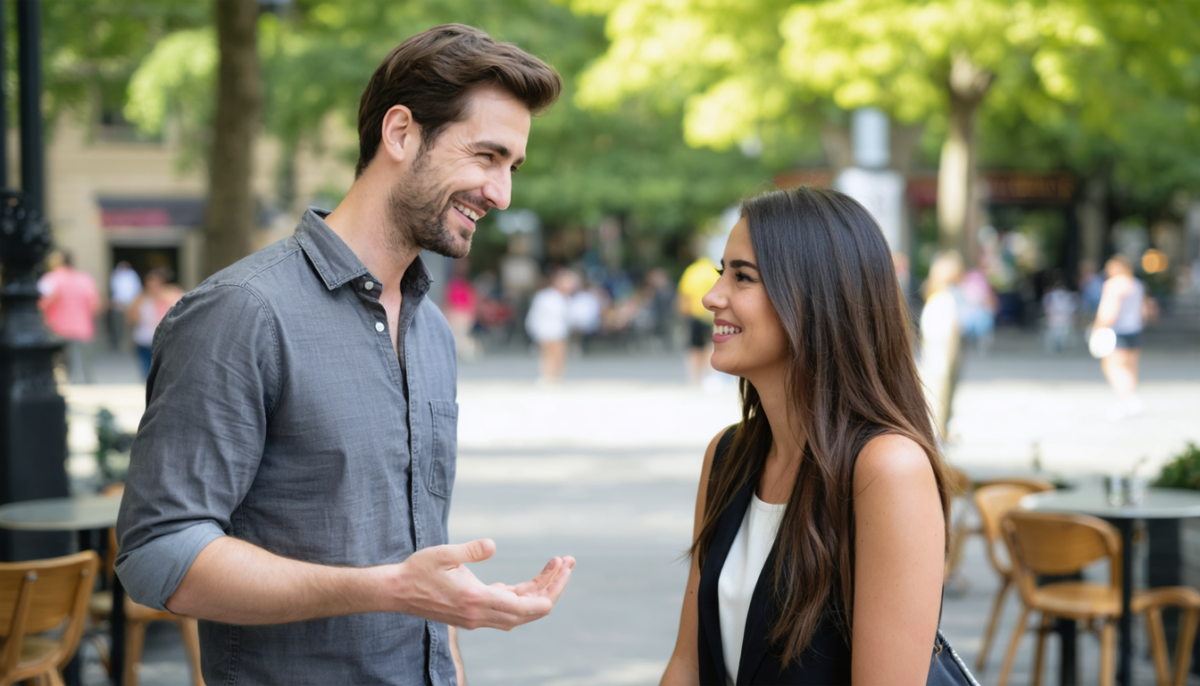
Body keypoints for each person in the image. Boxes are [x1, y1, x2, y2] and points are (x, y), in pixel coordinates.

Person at [116, 25, 573, 686]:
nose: (501, 194)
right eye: (487, 156)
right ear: (400, 133)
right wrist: (389, 589)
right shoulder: (241, 312)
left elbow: (422, 564)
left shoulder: (433, 331)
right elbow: (159, 555)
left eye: (511, 167)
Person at [661, 187, 949, 685]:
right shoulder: (728, 455)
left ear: (815, 296)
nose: (712, 297)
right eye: (720, 273)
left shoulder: (887, 469)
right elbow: (688, 665)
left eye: (742, 277)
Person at [1094, 254, 1152, 419]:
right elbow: (1145, 309)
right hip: (1135, 328)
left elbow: (1108, 311)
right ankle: (1132, 397)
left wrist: (1098, 327)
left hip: (1117, 330)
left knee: (1112, 365)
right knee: (1131, 366)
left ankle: (1126, 398)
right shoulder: (1137, 284)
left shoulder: (1114, 285)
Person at [919, 251, 965, 441]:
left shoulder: (940, 294)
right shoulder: (943, 297)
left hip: (942, 347)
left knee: (942, 386)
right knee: (939, 386)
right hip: (942, 348)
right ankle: (938, 428)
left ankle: (941, 426)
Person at [38, 250, 101, 384]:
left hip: (57, 329)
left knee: (60, 366)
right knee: (84, 365)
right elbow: (95, 305)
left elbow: (43, 303)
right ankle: (86, 385)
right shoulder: (85, 279)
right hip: (83, 329)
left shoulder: (51, 278)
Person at [126, 268, 183, 378]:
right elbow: (130, 319)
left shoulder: (171, 294)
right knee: (147, 373)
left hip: (165, 340)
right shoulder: (140, 298)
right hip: (144, 340)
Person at [525, 267, 579, 383]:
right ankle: (548, 375)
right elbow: (535, 316)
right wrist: (534, 330)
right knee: (548, 354)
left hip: (560, 331)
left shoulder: (568, 298)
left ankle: (556, 376)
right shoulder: (544, 296)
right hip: (546, 330)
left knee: (560, 355)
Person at [678, 252, 720, 385]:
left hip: (695, 315)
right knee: (710, 346)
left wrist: (683, 314)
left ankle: (694, 379)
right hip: (712, 315)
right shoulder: (715, 270)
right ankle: (710, 376)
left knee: (694, 347)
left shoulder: (691, 271)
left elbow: (684, 296)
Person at [108, 260, 142, 350]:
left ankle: (130, 344)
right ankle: (119, 344)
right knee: (118, 325)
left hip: (130, 303)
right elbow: (114, 289)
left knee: (130, 325)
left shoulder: (132, 275)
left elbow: (137, 289)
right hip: (119, 304)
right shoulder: (116, 274)